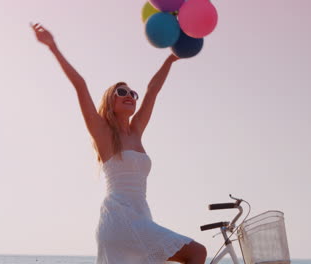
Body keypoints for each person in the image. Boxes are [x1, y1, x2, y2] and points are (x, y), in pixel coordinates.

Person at [31, 23, 207, 263]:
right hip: (119, 219)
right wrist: (53, 47)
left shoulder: (136, 132)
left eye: (132, 94)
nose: (130, 97)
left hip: (141, 216)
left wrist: (170, 59)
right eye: (122, 93)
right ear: (110, 102)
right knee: (197, 252)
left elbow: (152, 90)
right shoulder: (102, 133)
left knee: (193, 253)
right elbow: (80, 84)